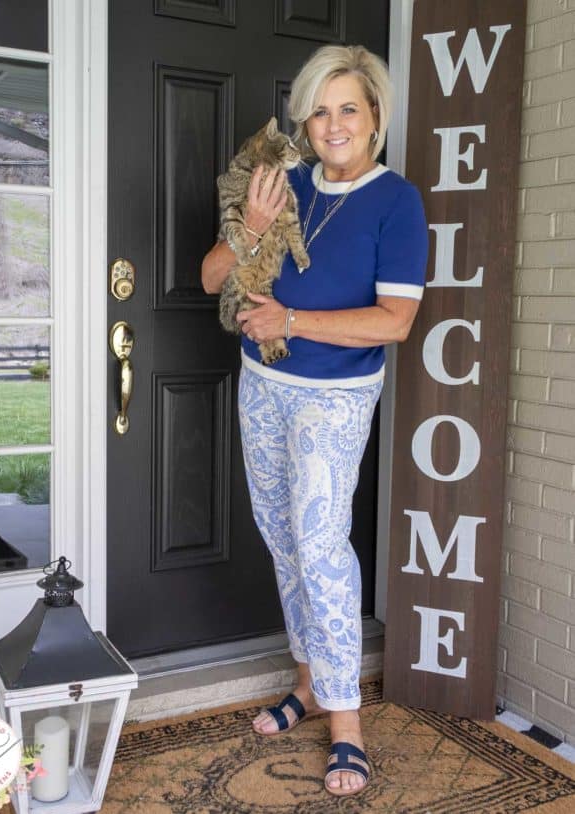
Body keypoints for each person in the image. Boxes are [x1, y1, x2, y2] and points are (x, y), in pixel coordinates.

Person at [201, 44, 428, 798]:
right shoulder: (286, 182)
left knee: (322, 543)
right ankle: (307, 683)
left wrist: (292, 318)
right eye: (320, 111)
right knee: (284, 537)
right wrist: (249, 225)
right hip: (262, 383)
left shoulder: (396, 201)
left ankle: (347, 725)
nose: (333, 125)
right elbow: (210, 276)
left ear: (375, 117)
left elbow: (395, 322)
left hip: (334, 396)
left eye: (348, 109)